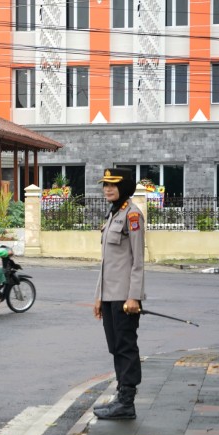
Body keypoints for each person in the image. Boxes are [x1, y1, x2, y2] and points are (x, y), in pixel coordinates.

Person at [93, 168, 145, 420]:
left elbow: (138, 260)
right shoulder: (114, 214)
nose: (107, 189)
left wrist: (134, 296)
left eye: (113, 185)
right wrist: (98, 297)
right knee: (115, 347)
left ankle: (127, 402)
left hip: (125, 297)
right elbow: (107, 263)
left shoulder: (132, 215)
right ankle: (120, 395)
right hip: (110, 295)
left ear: (124, 187)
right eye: (105, 185)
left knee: (125, 347)